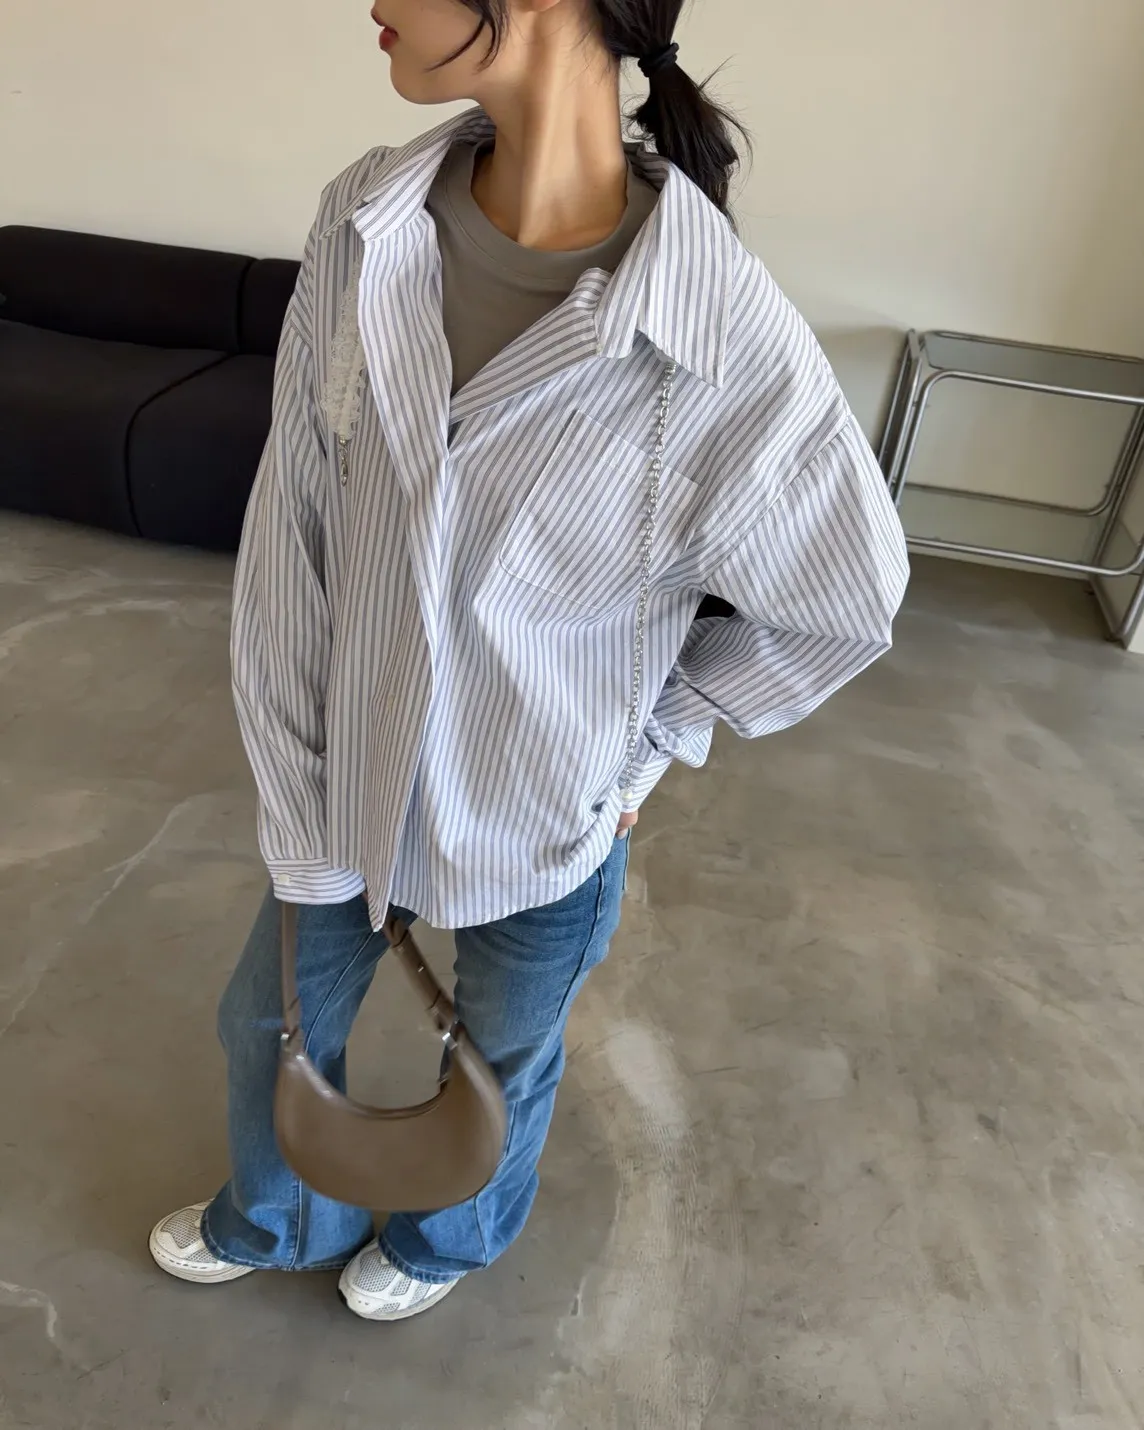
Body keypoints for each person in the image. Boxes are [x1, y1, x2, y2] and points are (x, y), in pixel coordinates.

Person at [149, 0, 909, 1322]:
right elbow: (295, 531)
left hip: (550, 809)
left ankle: (449, 1241)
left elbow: (841, 596)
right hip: (343, 776)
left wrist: (654, 741)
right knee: (262, 1021)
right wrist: (294, 779)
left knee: (501, 1052)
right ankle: (280, 1218)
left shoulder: (715, 327)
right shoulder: (367, 221)